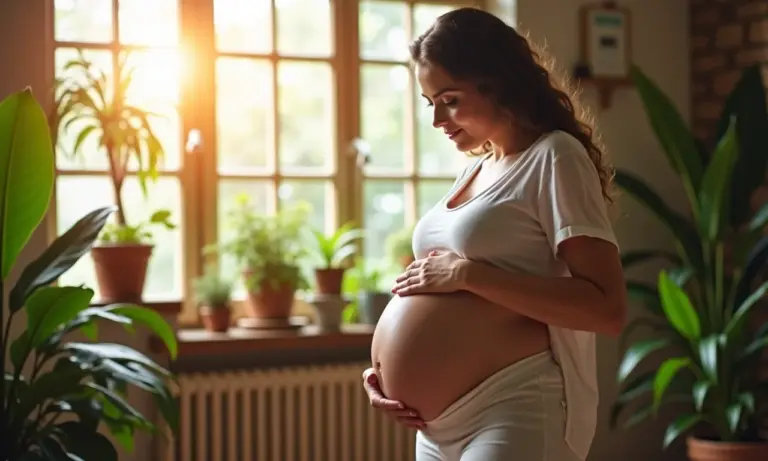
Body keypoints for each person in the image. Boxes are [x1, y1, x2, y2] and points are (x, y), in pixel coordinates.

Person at [361, 7, 628, 461]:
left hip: (514, 406)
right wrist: (382, 375)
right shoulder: (475, 170)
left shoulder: (555, 157)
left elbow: (607, 309)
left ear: (497, 81)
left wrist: (467, 275)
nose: (437, 121)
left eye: (449, 99)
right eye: (430, 104)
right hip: (435, 427)